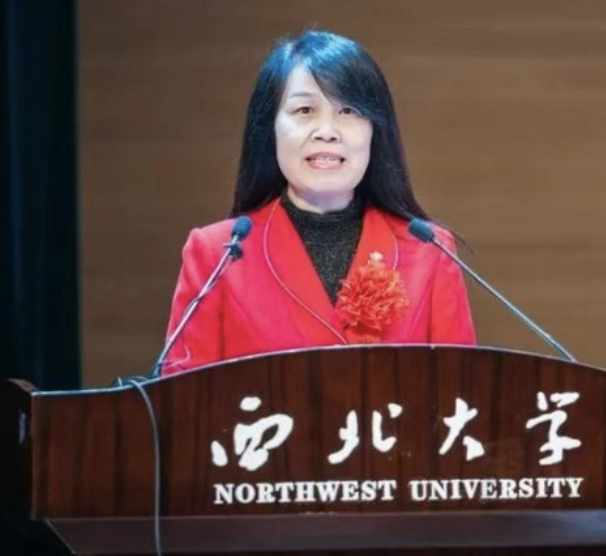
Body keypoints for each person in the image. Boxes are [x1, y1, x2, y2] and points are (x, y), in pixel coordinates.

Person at [161, 30, 475, 375]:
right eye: (305, 110)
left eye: (349, 110)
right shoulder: (218, 254)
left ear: (375, 131)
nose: (327, 131)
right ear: (270, 130)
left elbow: (458, 390)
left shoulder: (430, 251)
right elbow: (183, 397)